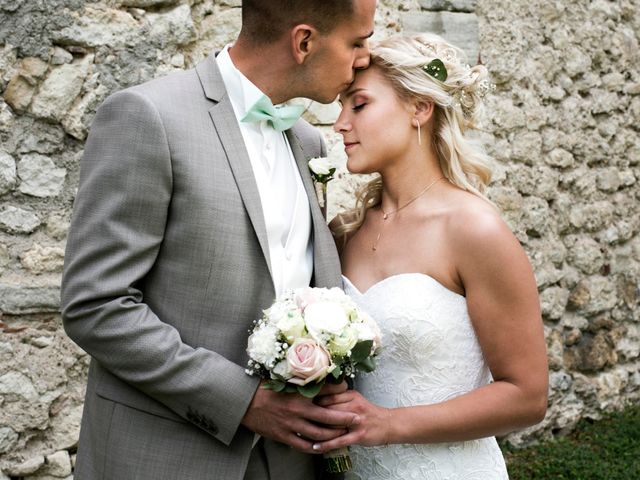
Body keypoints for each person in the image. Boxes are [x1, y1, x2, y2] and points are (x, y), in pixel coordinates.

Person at [60, 1, 376, 479]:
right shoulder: (150, 116)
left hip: (290, 462)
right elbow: (96, 305)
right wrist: (243, 401)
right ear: (304, 41)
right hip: (167, 456)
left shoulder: (309, 143)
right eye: (358, 41)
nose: (364, 59)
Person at [314, 33, 549, 479]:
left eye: (358, 105)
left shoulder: (473, 229)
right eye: (341, 108)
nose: (340, 124)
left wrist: (387, 424)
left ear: (420, 108)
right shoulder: (344, 232)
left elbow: (527, 396)